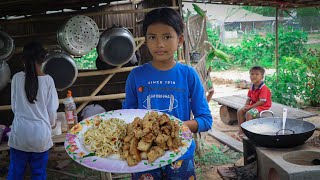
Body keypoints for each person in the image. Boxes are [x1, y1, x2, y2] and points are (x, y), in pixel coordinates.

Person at [122, 7, 213, 180]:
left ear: (179, 40)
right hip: (144, 157)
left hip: (179, 155)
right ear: (146, 40)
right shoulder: (136, 76)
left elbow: (206, 120)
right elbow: (128, 118)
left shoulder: (188, 75)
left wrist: (175, 127)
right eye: (152, 37)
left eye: (167, 37)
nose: (160, 44)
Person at [8, 42, 59, 179]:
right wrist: (52, 123)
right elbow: (52, 110)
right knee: (38, 173)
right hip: (40, 136)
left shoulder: (17, 78)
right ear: (43, 59)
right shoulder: (48, 81)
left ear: (23, 59)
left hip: (20, 134)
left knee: (15, 172)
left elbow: (14, 107)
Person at [233, 66, 272, 141]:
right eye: (252, 74)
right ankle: (241, 131)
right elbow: (249, 98)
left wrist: (250, 107)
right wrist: (245, 106)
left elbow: (262, 101)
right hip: (254, 104)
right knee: (240, 111)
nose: (254, 76)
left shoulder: (263, 88)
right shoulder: (252, 86)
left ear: (262, 77)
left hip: (262, 106)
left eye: (257, 74)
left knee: (249, 113)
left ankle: (249, 133)